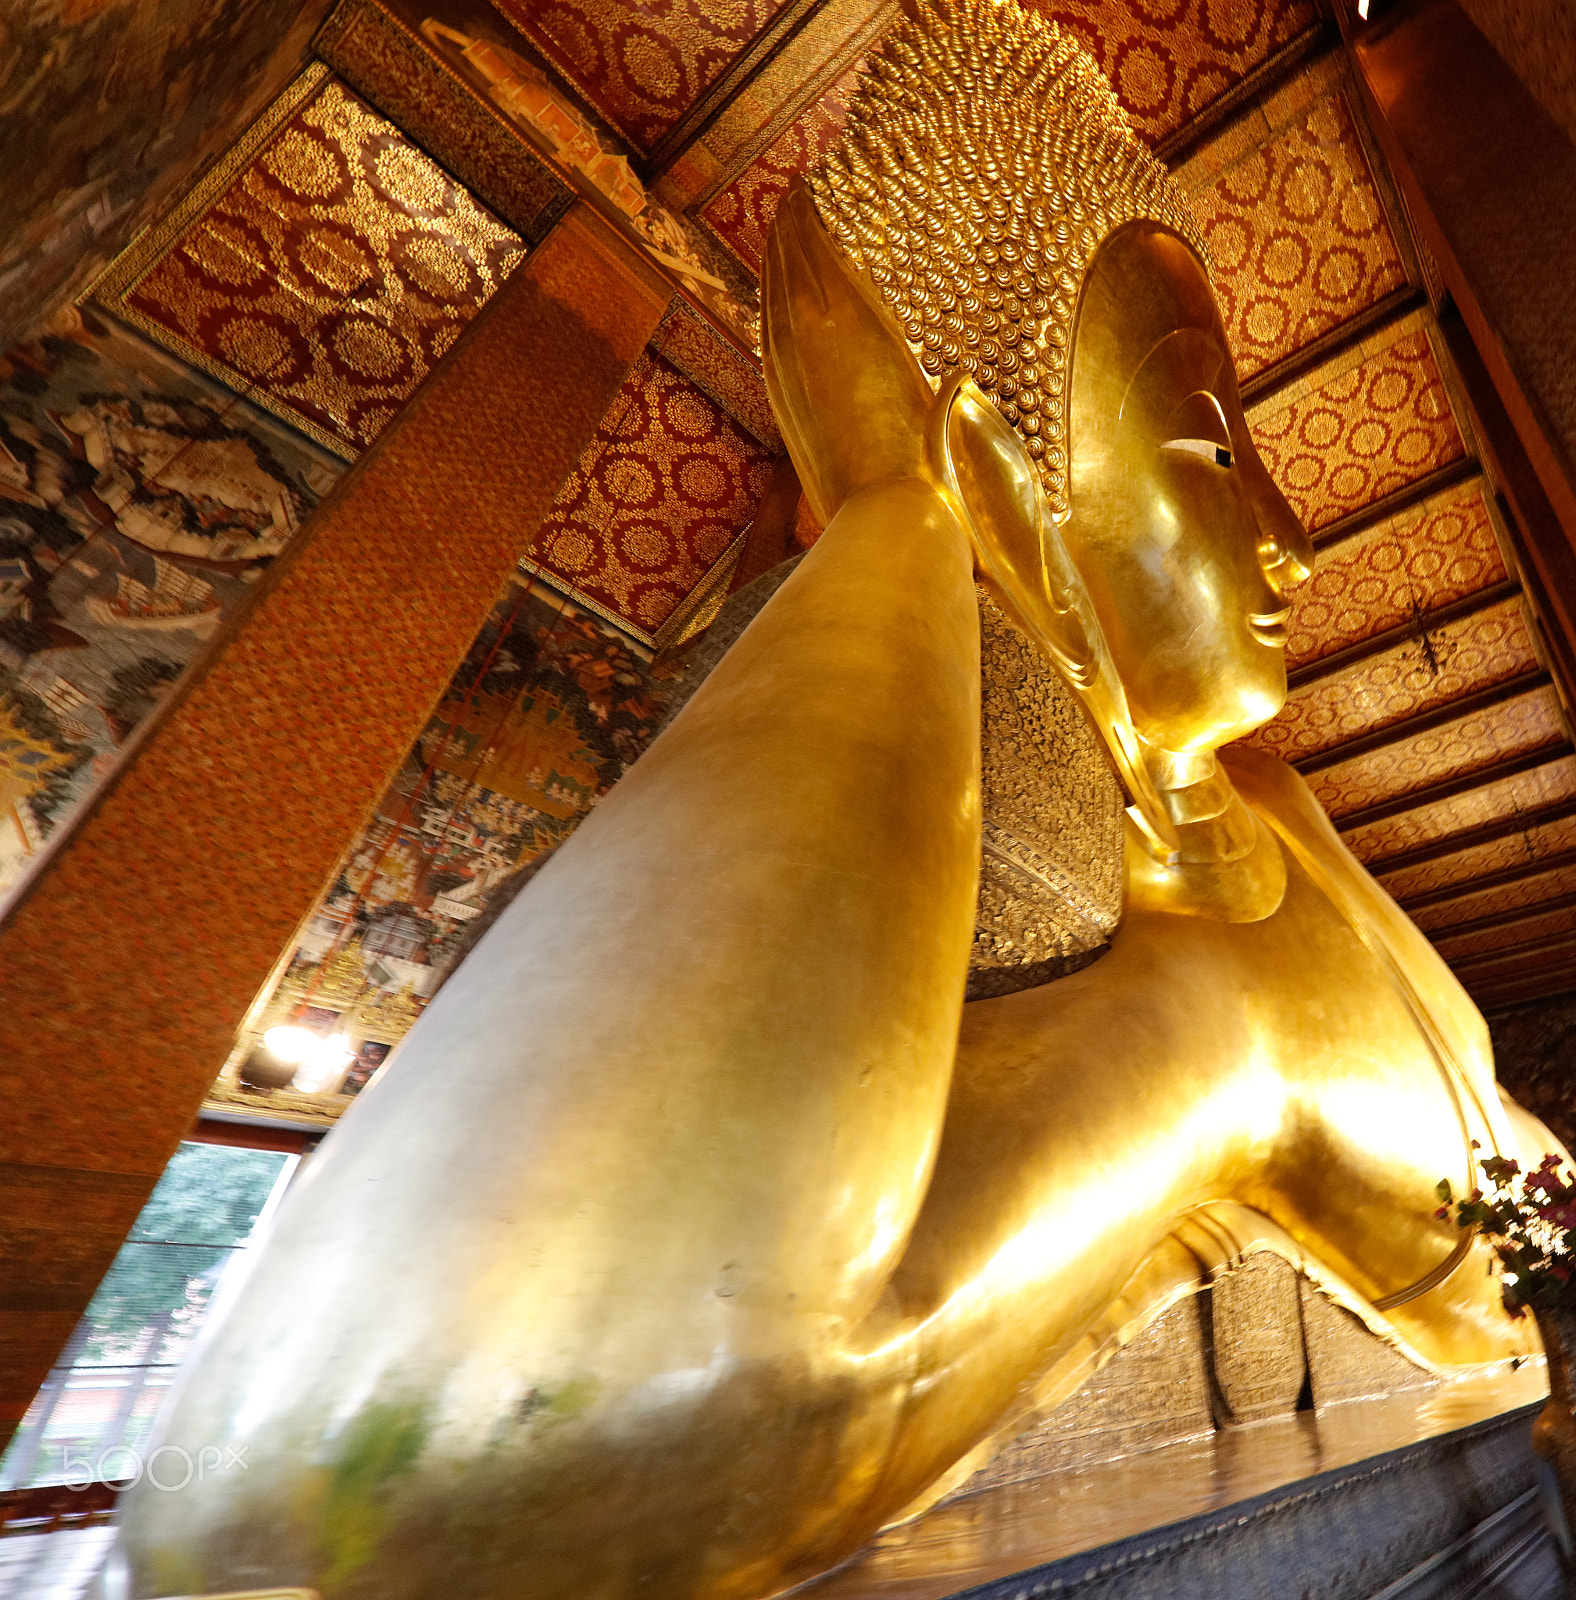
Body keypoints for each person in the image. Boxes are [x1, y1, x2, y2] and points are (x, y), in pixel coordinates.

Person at [109, 5, 1552, 1598]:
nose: (1292, 537)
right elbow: (404, 1467)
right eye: (1212, 449)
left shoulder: (1287, 812)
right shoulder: (1094, 914)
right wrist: (902, 506)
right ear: (1012, 485)